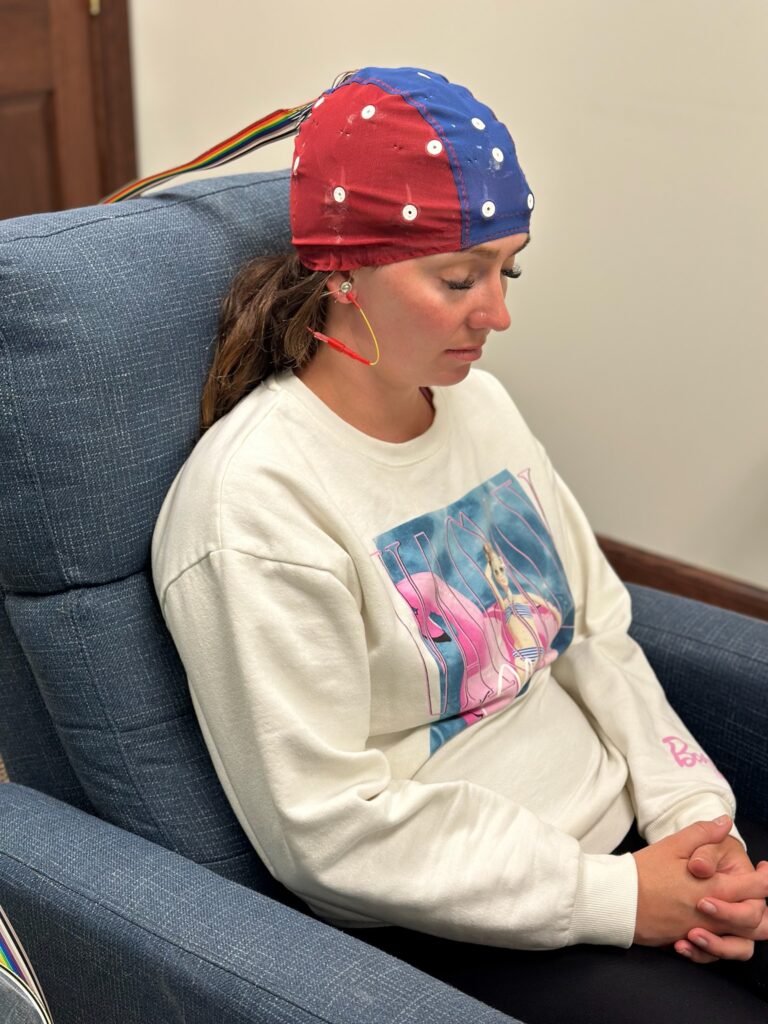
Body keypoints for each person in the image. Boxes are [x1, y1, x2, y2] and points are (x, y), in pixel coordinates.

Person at [150, 66, 768, 1022]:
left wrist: (695, 819)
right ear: (341, 270)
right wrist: (617, 901)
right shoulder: (254, 508)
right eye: (457, 279)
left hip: (634, 845)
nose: (499, 314)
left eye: (506, 270)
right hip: (459, 919)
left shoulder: (479, 409)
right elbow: (327, 831)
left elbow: (596, 631)